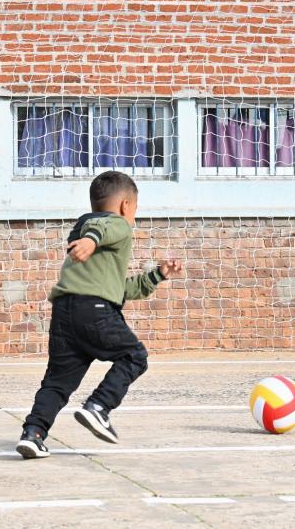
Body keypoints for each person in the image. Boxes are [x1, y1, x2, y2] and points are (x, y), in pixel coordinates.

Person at [16, 170, 183, 459]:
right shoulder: (116, 225)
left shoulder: (85, 235)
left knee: (57, 382)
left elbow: (120, 288)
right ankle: (99, 406)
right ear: (126, 206)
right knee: (134, 356)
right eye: (135, 210)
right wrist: (93, 240)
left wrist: (158, 275)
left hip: (65, 313)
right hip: (94, 311)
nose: (133, 217)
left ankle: (34, 434)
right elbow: (105, 230)